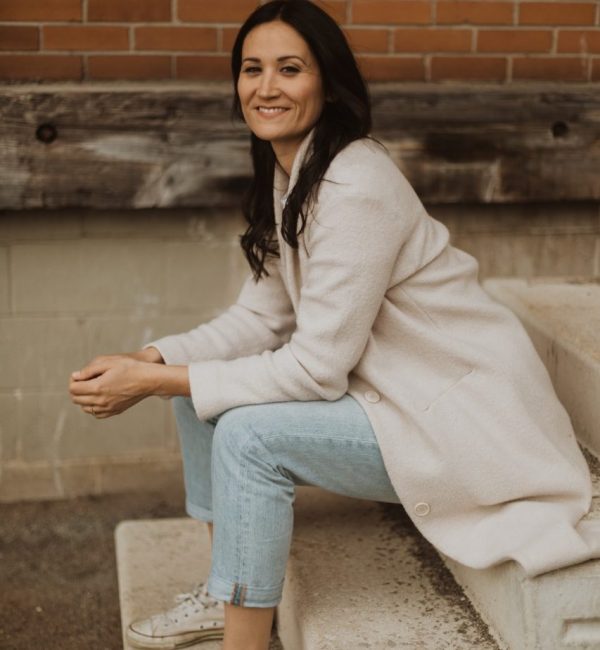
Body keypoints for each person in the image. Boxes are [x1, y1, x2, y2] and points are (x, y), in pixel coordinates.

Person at [69, 1, 600, 649]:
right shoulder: (294, 171)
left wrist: (152, 382)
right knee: (196, 394)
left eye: (289, 69)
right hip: (396, 396)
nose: (266, 87)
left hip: (456, 419)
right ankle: (226, 589)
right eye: (251, 70)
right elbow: (259, 318)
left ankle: (244, 639)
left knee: (248, 434)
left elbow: (317, 369)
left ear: (327, 82)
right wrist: (150, 360)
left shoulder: (355, 182)